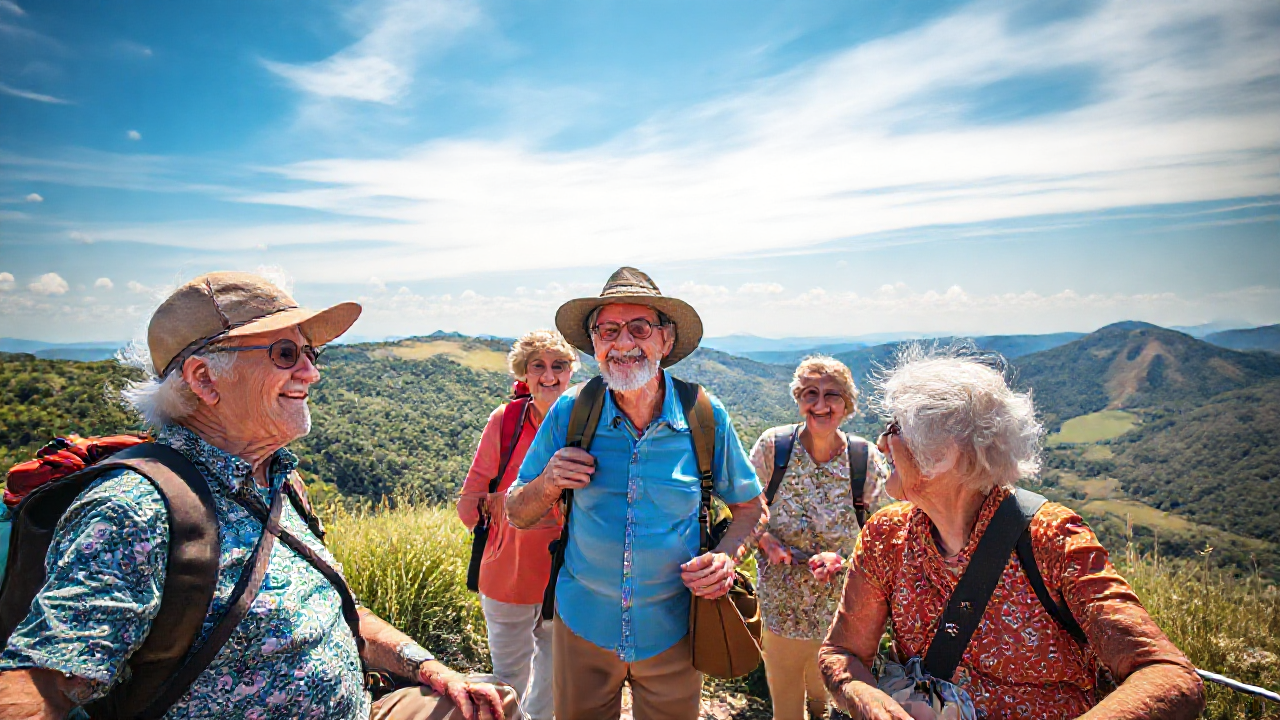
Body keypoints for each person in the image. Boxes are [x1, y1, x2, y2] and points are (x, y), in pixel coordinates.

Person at [0, 272, 515, 720]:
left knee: (491, 702)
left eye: (310, 354)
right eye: (285, 353)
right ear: (204, 378)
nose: (311, 373)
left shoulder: (276, 480)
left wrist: (430, 668)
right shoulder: (137, 509)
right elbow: (37, 687)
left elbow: (336, 611)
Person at [818, 347, 1205, 720]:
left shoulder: (1051, 538)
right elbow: (841, 653)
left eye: (896, 428)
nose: (883, 442)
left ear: (945, 450)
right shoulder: (886, 537)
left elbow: (1168, 677)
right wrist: (865, 698)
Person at [505, 267, 767, 720]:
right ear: (594, 344)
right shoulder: (572, 412)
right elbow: (515, 510)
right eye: (608, 330)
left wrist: (726, 558)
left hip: (674, 629)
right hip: (583, 625)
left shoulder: (703, 415)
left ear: (665, 341)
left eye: (640, 328)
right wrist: (548, 481)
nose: (623, 342)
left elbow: (750, 509)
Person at [749, 356, 889, 720]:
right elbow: (744, 509)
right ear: (799, 399)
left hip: (842, 612)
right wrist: (766, 542)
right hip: (781, 606)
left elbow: (889, 533)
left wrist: (843, 560)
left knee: (823, 694)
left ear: (847, 404)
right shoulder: (773, 448)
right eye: (810, 394)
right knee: (786, 702)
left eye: (833, 395)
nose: (821, 405)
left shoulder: (865, 459)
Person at [456, 330, 579, 720]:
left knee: (554, 677)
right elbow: (469, 502)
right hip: (508, 573)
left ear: (570, 373)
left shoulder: (588, 424)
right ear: (523, 375)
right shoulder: (506, 421)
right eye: (537, 366)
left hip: (569, 575)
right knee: (508, 679)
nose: (548, 375)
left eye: (558, 365)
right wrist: (508, 524)